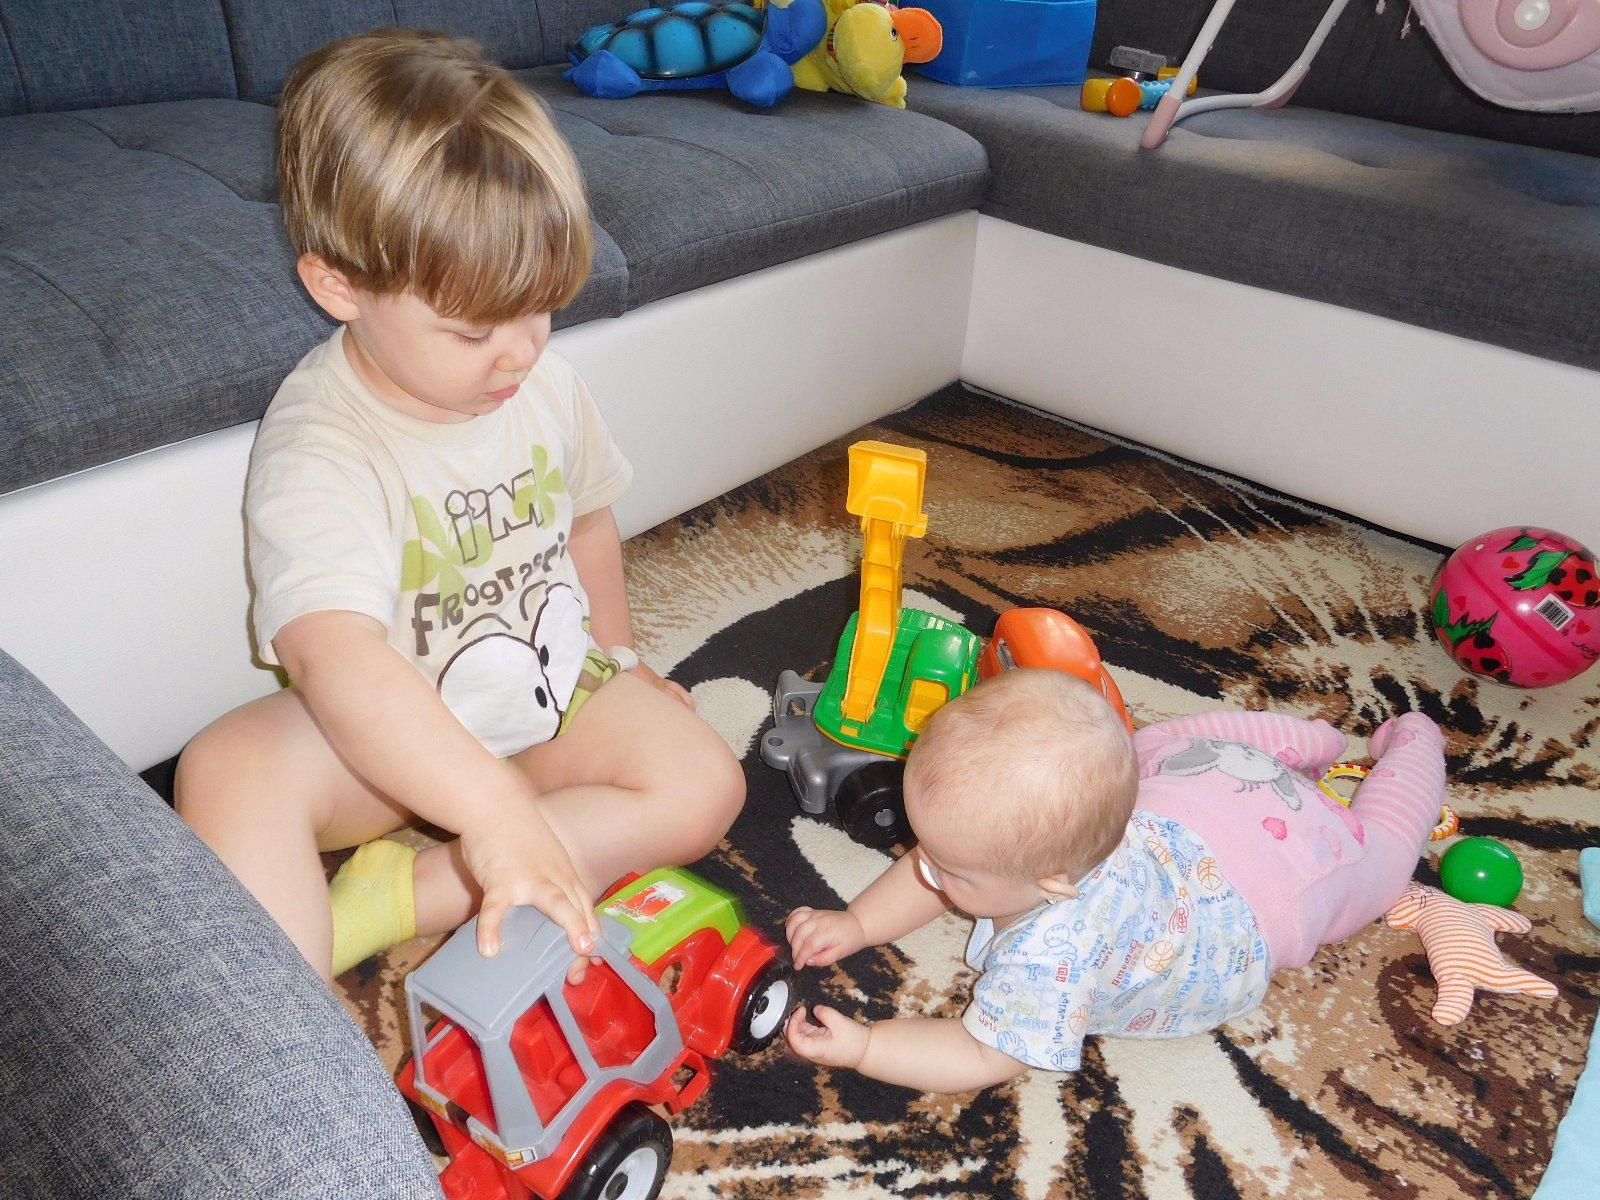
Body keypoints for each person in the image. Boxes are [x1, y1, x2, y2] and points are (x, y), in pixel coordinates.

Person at [175, 29, 744, 984]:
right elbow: (334, 656)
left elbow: (586, 520)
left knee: (704, 786)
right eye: (474, 332)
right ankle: (286, 1012)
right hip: (380, 745)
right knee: (229, 768)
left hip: (546, 698)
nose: (520, 353)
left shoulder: (542, 385)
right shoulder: (322, 441)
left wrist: (623, 657)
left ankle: (404, 894)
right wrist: (488, 806)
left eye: (540, 308)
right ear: (339, 286)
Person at [784, 668, 1444, 1091]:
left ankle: (1417, 740)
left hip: (1267, 900)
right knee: (1143, 751)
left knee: (1383, 862)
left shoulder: (1051, 956)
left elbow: (981, 1055)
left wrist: (865, 1048)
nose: (922, 865)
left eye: (949, 868)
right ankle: (1310, 740)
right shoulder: (1064, 835)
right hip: (1210, 792)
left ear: (1052, 884)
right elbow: (929, 870)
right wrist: (858, 923)